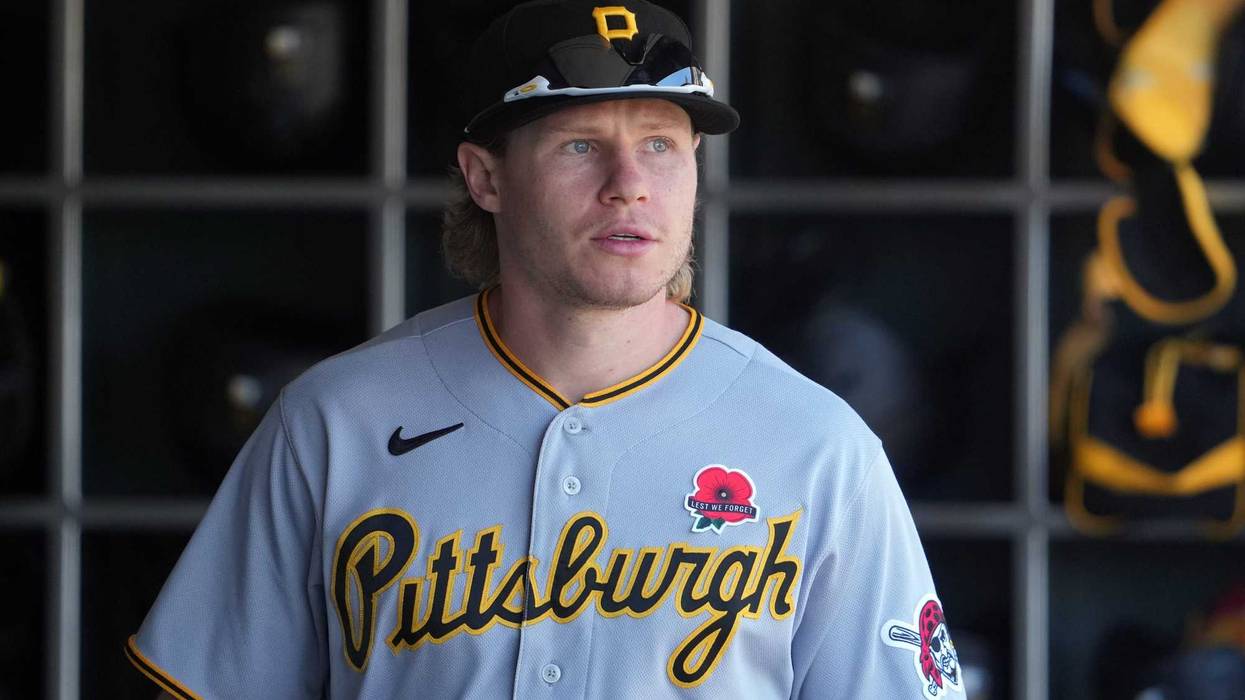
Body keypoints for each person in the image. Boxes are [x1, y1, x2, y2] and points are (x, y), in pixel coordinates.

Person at [127, 1, 962, 698]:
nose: (629, 181)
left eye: (661, 144)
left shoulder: (818, 447)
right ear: (484, 178)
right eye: (580, 144)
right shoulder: (335, 421)